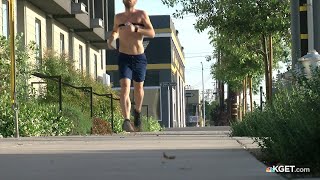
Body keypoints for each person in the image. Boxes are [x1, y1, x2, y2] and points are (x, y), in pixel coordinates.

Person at [108, 0, 155, 132]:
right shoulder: (118, 17)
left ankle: (137, 111)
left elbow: (152, 33)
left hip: (139, 57)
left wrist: (136, 29)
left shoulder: (141, 14)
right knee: (124, 87)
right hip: (124, 57)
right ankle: (127, 120)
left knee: (139, 87)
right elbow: (115, 31)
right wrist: (112, 38)